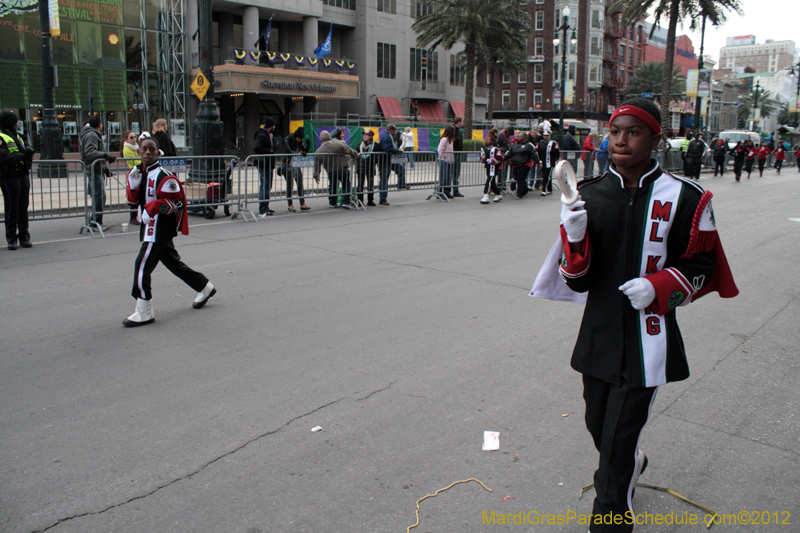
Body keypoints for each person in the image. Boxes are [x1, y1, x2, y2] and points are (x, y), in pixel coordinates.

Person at [551, 97, 737, 533]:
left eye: (633, 133)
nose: (620, 141)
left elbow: (703, 267)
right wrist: (574, 237)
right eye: (615, 132)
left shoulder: (688, 197)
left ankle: (611, 518)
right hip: (598, 335)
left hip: (648, 338)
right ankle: (631, 461)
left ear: (656, 139)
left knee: (615, 447)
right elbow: (577, 281)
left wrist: (660, 286)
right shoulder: (588, 195)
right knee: (599, 427)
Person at [123, 135, 215, 327]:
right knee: (173, 263)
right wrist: (133, 187)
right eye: (144, 149)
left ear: (158, 153)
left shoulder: (165, 177)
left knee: (142, 265)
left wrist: (153, 207)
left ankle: (144, 310)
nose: (147, 152)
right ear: (138, 151)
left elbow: (176, 204)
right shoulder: (138, 172)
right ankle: (204, 287)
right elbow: (133, 202)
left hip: (159, 228)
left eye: (152, 149)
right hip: (149, 227)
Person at [0, 111, 35, 250]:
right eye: (15, 122)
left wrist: (29, 150)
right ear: (9, 124)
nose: (17, 125)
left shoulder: (19, 136)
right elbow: (4, 157)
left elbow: (26, 147)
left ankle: (24, 236)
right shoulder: (1, 137)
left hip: (22, 174)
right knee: (12, 208)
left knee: (23, 207)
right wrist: (23, 155)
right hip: (10, 175)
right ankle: (11, 238)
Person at [80, 115, 116, 230]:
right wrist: (105, 156)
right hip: (93, 169)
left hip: (96, 168)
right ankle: (95, 222)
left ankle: (95, 221)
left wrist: (105, 169)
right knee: (99, 196)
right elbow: (90, 152)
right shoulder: (92, 134)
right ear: (99, 124)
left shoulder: (91, 133)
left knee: (99, 196)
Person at [313, 130, 359, 209]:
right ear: (329, 137)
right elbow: (348, 150)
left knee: (333, 186)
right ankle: (346, 202)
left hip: (331, 171)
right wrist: (356, 154)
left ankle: (332, 203)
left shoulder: (318, 151)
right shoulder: (338, 144)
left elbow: (317, 165)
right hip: (342, 168)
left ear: (321, 139)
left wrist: (316, 175)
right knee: (346, 185)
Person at [503, 131, 541, 198]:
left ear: (524, 137)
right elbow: (509, 154)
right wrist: (502, 159)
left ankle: (520, 194)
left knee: (521, 179)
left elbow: (534, 154)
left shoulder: (529, 145)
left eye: (521, 136)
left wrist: (539, 162)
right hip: (515, 164)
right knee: (517, 178)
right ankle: (525, 190)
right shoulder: (514, 145)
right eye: (518, 136)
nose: (519, 137)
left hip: (525, 164)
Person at [280, 127, 310, 212]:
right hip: (287, 164)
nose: (299, 140)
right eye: (298, 138)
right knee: (290, 184)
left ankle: (302, 203)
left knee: (300, 183)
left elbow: (304, 151)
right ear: (295, 136)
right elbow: (289, 151)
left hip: (296, 164)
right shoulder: (287, 139)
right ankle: (290, 204)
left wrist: (308, 146)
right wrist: (299, 153)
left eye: (301, 139)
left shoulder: (299, 142)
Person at [373, 124, 403, 206]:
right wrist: (397, 151)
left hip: (391, 160)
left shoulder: (391, 137)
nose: (396, 131)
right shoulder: (386, 137)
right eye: (395, 130)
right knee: (384, 180)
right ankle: (382, 198)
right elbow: (387, 148)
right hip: (385, 161)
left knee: (401, 169)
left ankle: (401, 185)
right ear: (391, 130)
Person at [253, 117, 276, 217]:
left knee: (265, 185)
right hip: (264, 163)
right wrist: (270, 150)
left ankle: (264, 206)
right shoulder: (262, 135)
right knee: (265, 185)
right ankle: (263, 208)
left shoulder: (266, 134)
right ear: (271, 126)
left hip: (265, 163)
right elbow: (257, 148)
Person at [121, 130, 142, 226]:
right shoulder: (126, 149)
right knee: (134, 194)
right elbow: (133, 162)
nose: (134, 139)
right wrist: (144, 160)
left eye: (135, 136)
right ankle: (133, 217)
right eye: (131, 137)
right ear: (126, 139)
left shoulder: (136, 147)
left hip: (140, 171)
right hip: (134, 173)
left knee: (141, 193)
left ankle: (140, 215)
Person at [356, 129, 378, 206]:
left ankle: (370, 200)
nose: (365, 136)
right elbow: (356, 153)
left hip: (370, 167)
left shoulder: (375, 145)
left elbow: (378, 156)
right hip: (360, 167)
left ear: (371, 136)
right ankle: (360, 201)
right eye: (364, 135)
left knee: (370, 185)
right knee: (360, 185)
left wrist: (374, 161)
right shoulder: (360, 144)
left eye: (367, 135)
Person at [479, 133, 503, 204]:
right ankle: (498, 194)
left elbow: (500, 159)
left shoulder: (496, 149)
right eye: (487, 139)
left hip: (494, 168)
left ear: (493, 141)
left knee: (489, 180)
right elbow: (483, 160)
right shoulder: (484, 149)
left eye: (489, 139)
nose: (487, 141)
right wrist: (483, 157)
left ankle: (486, 195)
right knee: (492, 182)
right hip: (488, 167)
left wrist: (493, 161)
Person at [537, 130, 560, 196]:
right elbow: (537, 152)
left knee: (546, 176)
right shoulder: (540, 143)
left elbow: (557, 153)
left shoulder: (554, 143)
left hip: (550, 162)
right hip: (542, 162)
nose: (545, 137)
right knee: (545, 175)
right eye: (544, 135)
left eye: (547, 135)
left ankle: (544, 189)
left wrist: (558, 160)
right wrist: (538, 161)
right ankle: (549, 189)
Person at [437, 125, 456, 198]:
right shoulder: (444, 139)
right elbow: (440, 150)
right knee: (443, 176)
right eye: (453, 131)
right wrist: (445, 157)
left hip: (449, 160)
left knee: (448, 177)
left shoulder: (450, 140)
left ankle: (447, 191)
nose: (454, 132)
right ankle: (440, 191)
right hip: (443, 160)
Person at [451, 117, 465, 197]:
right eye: (462, 121)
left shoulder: (459, 131)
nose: (463, 123)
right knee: (451, 172)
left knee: (457, 173)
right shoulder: (452, 129)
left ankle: (456, 190)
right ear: (458, 122)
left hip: (458, 153)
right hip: (453, 153)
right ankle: (447, 190)